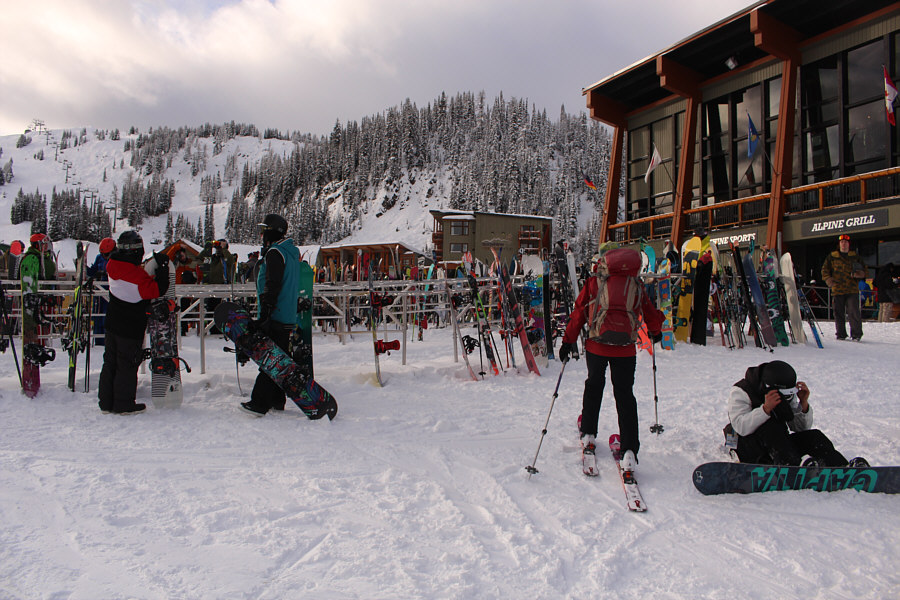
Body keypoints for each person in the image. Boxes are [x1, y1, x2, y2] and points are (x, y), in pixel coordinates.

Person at [558, 247, 664, 474]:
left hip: (597, 345)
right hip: (625, 349)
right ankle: (629, 451)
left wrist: (568, 341)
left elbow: (579, 313)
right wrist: (656, 330)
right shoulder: (634, 283)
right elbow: (648, 309)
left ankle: (588, 433)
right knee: (625, 395)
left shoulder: (595, 282)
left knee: (594, 386)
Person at [726, 360, 867, 468]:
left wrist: (803, 404)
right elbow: (740, 427)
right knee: (771, 427)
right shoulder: (741, 391)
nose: (787, 399)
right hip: (752, 447)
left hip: (780, 445)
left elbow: (799, 427)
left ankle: (841, 467)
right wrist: (765, 409)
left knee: (814, 436)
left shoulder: (786, 394)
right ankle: (793, 467)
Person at [97, 230, 169, 414]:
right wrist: (163, 271)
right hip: (129, 327)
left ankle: (106, 402)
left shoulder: (113, 265)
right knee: (127, 364)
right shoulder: (137, 276)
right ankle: (123, 403)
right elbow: (155, 290)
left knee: (110, 362)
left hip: (112, 323)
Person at [239, 214, 300, 416]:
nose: (262, 234)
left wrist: (265, 311)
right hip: (288, 313)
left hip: (277, 313)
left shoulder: (276, 253)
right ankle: (277, 399)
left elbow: (272, 284)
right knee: (279, 355)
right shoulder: (291, 252)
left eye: (265, 229)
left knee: (270, 359)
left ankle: (260, 402)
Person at [821, 233, 867, 341]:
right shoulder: (832, 257)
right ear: (839, 244)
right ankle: (841, 334)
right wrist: (828, 279)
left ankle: (856, 334)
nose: (844, 244)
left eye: (845, 242)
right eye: (842, 242)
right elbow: (824, 270)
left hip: (852, 289)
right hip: (837, 289)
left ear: (848, 244)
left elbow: (865, 269)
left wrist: (859, 274)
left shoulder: (855, 256)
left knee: (854, 312)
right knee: (838, 313)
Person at [86, 237, 116, 346]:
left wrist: (105, 274)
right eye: (102, 254)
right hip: (99, 293)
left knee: (108, 318)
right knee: (98, 316)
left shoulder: (117, 259)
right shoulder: (99, 258)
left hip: (111, 292)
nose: (104, 256)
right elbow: (93, 272)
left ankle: (108, 342)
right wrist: (84, 269)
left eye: (106, 254)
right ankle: (98, 341)